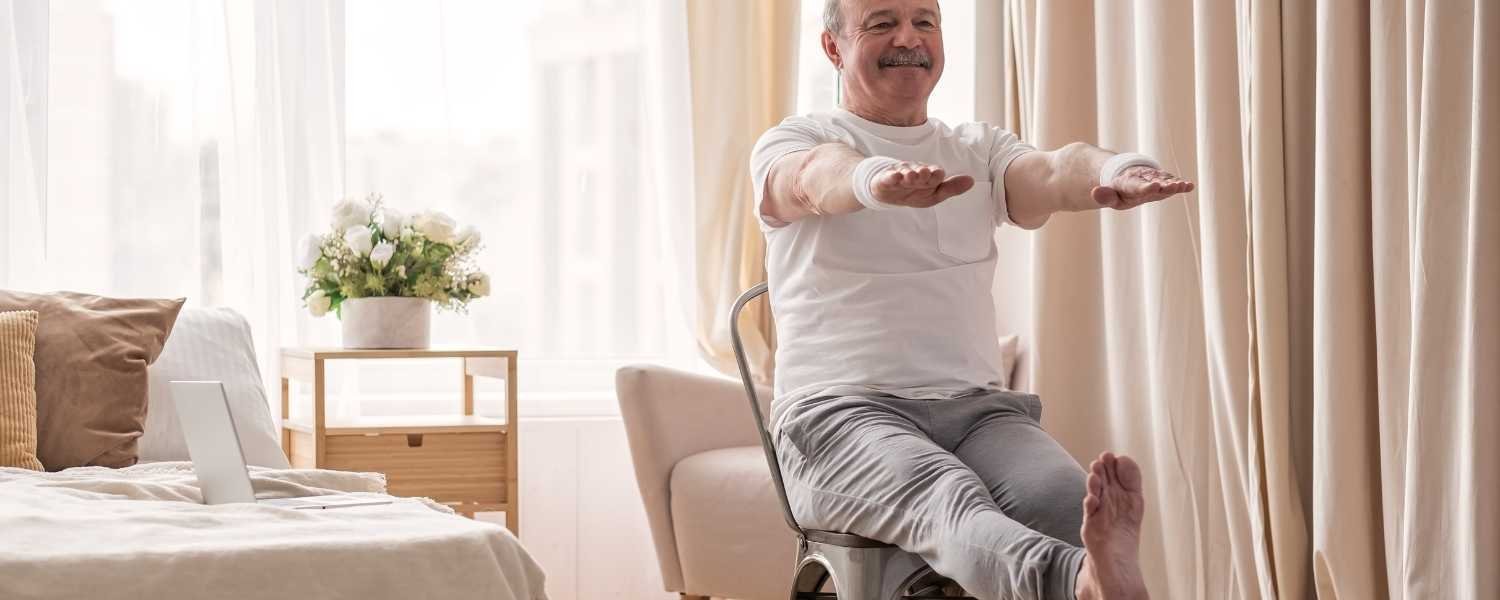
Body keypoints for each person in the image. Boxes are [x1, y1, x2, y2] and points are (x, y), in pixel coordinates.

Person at [749, 1, 1195, 598]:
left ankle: (1090, 573)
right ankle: (1076, 583)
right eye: (882, 23)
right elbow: (812, 177)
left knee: (1063, 502)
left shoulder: (975, 149)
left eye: (924, 22)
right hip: (840, 417)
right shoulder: (799, 139)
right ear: (834, 48)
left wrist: (1120, 168)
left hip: (978, 413)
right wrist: (871, 180)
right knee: (945, 498)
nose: (908, 38)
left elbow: (1054, 169)